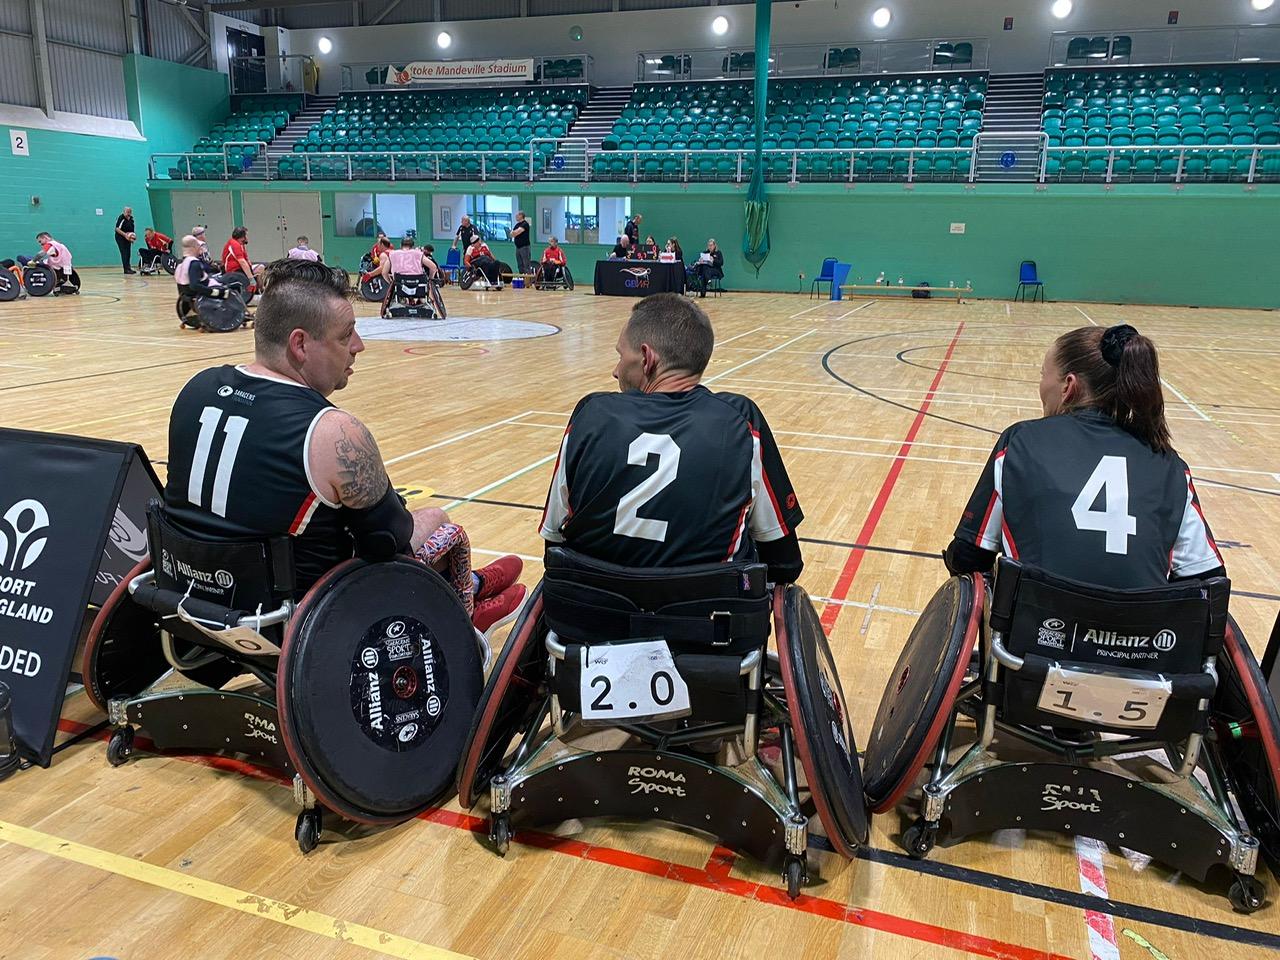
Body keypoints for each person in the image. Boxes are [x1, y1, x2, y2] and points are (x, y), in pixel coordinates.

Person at [162, 258, 526, 632]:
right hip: (294, 620)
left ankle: (476, 586)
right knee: (436, 520)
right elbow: (391, 541)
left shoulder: (196, 388)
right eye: (345, 334)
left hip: (191, 596)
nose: (359, 346)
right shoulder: (333, 432)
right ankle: (463, 604)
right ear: (300, 344)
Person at [540, 293, 804, 580]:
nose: (615, 371)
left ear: (647, 358)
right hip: (705, 620)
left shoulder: (590, 414)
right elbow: (785, 564)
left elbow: (553, 544)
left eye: (620, 355)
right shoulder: (741, 420)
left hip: (588, 614)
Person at [944, 324, 1223, 590]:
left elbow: (969, 557)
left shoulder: (1020, 441)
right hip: (1143, 637)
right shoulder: (1170, 465)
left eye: (1043, 375)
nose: (1041, 385)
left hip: (1033, 634)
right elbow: (1207, 578)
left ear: (1069, 386)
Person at [174, 234, 229, 326]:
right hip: (204, 291)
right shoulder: (194, 263)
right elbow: (194, 285)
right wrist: (215, 292)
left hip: (185, 292)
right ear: (194, 247)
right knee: (231, 286)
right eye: (198, 246)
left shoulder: (181, 264)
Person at [379, 236, 438, 317]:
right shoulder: (418, 253)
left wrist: (391, 283)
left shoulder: (392, 254)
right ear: (412, 246)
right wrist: (430, 279)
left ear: (400, 245)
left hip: (400, 286)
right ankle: (422, 301)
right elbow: (433, 267)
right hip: (418, 286)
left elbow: (384, 273)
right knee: (422, 284)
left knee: (398, 283)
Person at [115, 206, 136, 274]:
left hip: (127, 238)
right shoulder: (121, 218)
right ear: (124, 212)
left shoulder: (131, 220)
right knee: (124, 253)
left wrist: (132, 238)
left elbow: (132, 231)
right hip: (120, 237)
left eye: (130, 212)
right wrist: (125, 235)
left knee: (128, 253)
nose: (128, 213)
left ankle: (128, 268)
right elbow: (117, 229)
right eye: (127, 212)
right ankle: (126, 269)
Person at [511, 210, 532, 277]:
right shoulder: (517, 225)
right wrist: (514, 233)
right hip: (518, 247)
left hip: (524, 247)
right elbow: (511, 234)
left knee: (526, 265)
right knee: (520, 265)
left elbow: (517, 232)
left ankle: (528, 281)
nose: (516, 216)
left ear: (521, 216)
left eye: (517, 215)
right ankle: (522, 279)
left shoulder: (525, 224)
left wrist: (514, 233)